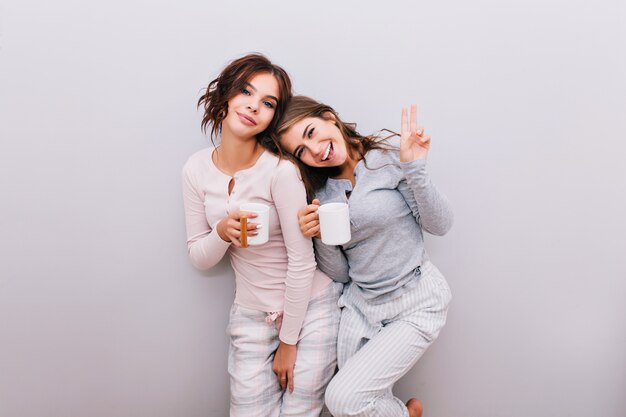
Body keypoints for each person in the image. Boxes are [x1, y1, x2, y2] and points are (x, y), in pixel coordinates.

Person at [272, 96, 453, 417]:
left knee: (343, 399)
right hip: (361, 307)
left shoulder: (388, 162)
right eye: (301, 150)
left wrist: (415, 169)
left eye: (311, 132)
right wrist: (318, 236)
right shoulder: (322, 193)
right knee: (354, 406)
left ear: (330, 118)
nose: (314, 149)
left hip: (415, 300)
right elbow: (341, 274)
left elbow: (440, 225)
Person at [181, 56, 341, 417]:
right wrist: (222, 233)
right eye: (246, 91)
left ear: (272, 117)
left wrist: (289, 342)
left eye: (268, 103)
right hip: (251, 316)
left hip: (311, 309)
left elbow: (302, 262)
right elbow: (198, 256)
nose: (254, 105)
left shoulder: (280, 171)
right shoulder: (195, 169)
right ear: (225, 96)